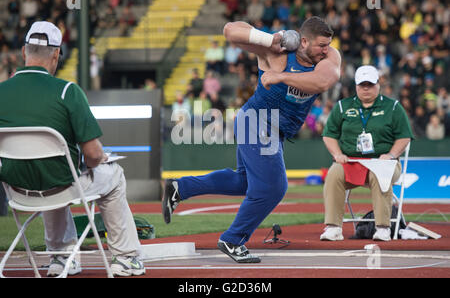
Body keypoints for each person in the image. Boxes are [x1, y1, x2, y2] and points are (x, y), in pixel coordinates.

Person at [162, 16, 341, 263]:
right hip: (257, 121)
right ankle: (233, 239)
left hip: (271, 129)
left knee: (245, 182)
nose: (326, 50)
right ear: (303, 41)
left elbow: (322, 81)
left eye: (328, 44)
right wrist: (271, 39)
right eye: (321, 45)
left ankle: (181, 188)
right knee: (273, 188)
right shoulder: (275, 53)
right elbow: (230, 30)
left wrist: (281, 78)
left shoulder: (329, 57)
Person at [0, 21, 144, 277]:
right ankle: (126, 258)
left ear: (24, 51)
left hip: (16, 191)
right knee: (112, 175)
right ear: (56, 54)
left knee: (52, 172)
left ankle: (61, 257)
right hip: (61, 185)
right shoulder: (67, 91)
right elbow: (94, 155)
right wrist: (89, 163)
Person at [321, 65, 413, 242]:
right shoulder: (342, 107)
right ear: (355, 86)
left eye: (370, 84)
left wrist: (392, 155)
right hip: (351, 161)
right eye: (362, 84)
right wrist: (337, 154)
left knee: (380, 174)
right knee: (333, 174)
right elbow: (329, 135)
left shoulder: (393, 107)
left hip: (384, 162)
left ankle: (383, 227)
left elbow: (404, 137)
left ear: (378, 84)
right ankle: (333, 227)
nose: (366, 88)